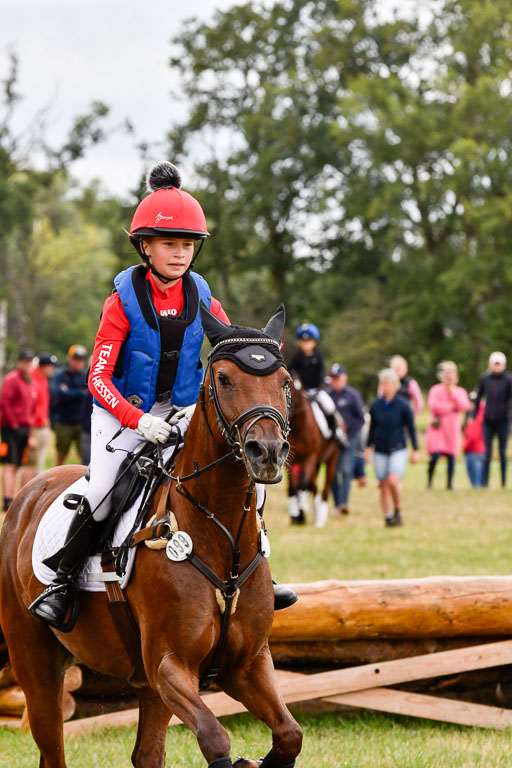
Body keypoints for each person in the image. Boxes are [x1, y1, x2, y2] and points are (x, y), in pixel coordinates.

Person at [29, 160, 296, 626]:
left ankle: (258, 575)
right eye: (169, 244)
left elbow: (229, 347)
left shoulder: (203, 297)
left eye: (187, 245)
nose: (180, 253)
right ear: (145, 246)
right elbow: (97, 378)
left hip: (182, 409)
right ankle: (61, 583)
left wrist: (259, 355)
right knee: (104, 491)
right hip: (122, 413)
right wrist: (139, 422)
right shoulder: (121, 302)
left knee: (239, 475)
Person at [365, 368, 419, 527]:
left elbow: (411, 428)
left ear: (396, 385)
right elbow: (372, 428)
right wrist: (368, 448)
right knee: (383, 485)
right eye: (384, 383)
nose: (386, 386)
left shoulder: (403, 405)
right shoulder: (375, 405)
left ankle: (398, 509)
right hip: (380, 450)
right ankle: (388, 517)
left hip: (398, 448)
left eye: (389, 383)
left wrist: (415, 449)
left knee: (393, 481)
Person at [287, 324, 345, 447]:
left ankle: (337, 433)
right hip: (299, 392)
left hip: (316, 391)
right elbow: (289, 372)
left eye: (308, 341)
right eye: (303, 341)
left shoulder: (318, 356)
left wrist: (317, 391)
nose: (306, 344)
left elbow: (321, 375)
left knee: (329, 406)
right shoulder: (296, 356)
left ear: (314, 342)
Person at [0, 350, 38, 510]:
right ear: (20, 362)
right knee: (10, 464)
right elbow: (5, 402)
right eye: (25, 361)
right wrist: (14, 423)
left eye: (30, 361)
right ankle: (7, 499)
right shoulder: (12, 379)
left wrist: (29, 429)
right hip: (11, 428)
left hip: (25, 428)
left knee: (20, 464)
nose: (27, 364)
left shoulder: (29, 381)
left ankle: (16, 497)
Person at [426, 361, 471, 490]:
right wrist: (451, 407)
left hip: (452, 429)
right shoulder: (435, 390)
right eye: (447, 377)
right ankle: (429, 481)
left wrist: (453, 394)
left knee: (451, 457)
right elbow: (433, 406)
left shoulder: (460, 391)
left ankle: (449, 483)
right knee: (435, 455)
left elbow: (464, 406)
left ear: (456, 378)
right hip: (438, 428)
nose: (449, 380)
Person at [327, 363, 365, 514]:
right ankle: (337, 504)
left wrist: (349, 433)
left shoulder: (353, 395)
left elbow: (360, 418)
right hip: (332, 440)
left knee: (346, 469)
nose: (335, 381)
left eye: (338, 378)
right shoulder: (327, 396)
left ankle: (344, 502)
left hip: (349, 438)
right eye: (333, 378)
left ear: (345, 378)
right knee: (334, 471)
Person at [472, 352, 512, 488]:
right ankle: (484, 482)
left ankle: (503, 482)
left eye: (498, 364)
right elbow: (478, 398)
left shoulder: (508, 379)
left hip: (504, 420)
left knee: (502, 451)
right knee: (487, 452)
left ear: (503, 365)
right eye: (494, 364)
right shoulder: (485, 379)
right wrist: (473, 415)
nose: (496, 367)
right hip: (488, 420)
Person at [21, 352, 58, 484]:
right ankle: (23, 496)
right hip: (33, 427)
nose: (52, 369)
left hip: (42, 426)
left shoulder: (43, 380)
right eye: (50, 366)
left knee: (38, 467)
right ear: (43, 366)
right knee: (29, 466)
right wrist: (30, 433)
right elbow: (27, 407)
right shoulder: (32, 379)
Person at [51, 345, 89, 465]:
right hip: (64, 421)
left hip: (80, 423)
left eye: (81, 360)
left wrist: (69, 392)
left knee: (84, 456)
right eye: (76, 359)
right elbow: (59, 393)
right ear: (69, 358)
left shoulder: (84, 375)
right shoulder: (60, 375)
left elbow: (88, 394)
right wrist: (80, 393)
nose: (78, 362)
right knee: (61, 454)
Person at [463, 393, 486, 488]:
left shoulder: (478, 417)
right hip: (474, 449)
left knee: (475, 473)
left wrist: (465, 446)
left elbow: (473, 435)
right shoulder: (470, 415)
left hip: (475, 449)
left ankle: (477, 487)